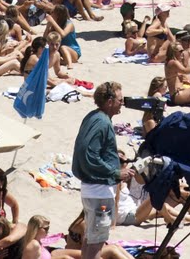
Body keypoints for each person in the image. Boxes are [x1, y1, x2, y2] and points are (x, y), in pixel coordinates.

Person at [73, 81, 123, 259]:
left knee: (90, 239)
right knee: (97, 245)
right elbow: (89, 154)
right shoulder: (102, 122)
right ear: (109, 101)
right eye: (119, 99)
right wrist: (115, 172)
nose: (122, 103)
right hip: (100, 192)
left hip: (90, 190)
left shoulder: (93, 116)